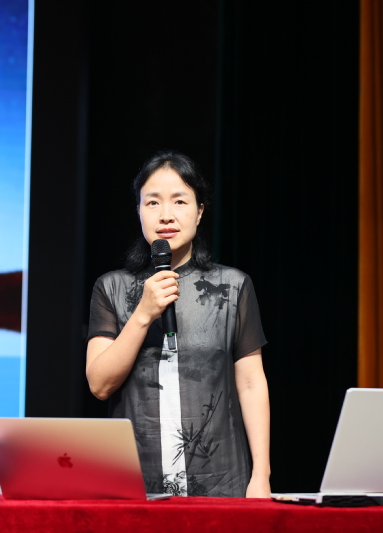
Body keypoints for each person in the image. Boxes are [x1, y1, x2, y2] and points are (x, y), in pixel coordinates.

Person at [86, 150, 271, 498]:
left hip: (220, 479)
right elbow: (99, 384)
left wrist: (261, 474)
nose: (166, 215)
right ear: (139, 211)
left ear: (199, 211)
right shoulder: (112, 287)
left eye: (180, 201)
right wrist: (143, 313)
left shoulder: (232, 286)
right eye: (153, 202)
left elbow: (250, 383)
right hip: (137, 479)